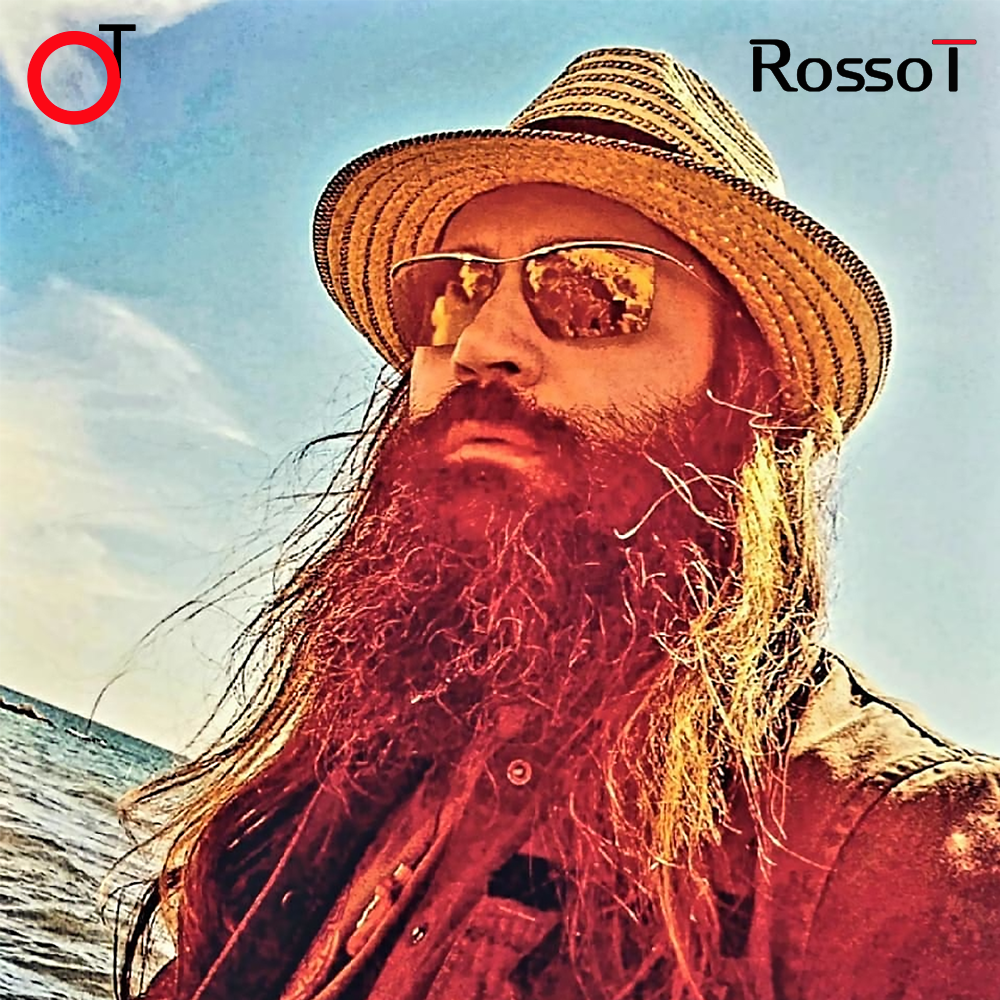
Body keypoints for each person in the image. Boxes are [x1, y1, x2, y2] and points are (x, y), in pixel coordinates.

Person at [120, 47, 1000, 1000]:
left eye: (593, 290)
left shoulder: (897, 860)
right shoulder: (353, 769)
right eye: (456, 289)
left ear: (744, 393)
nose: (482, 343)